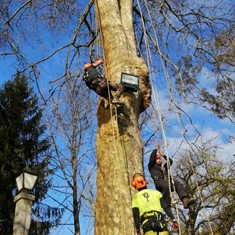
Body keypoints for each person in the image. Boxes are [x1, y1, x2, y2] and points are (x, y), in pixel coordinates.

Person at [148, 144, 196, 216]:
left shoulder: (164, 167)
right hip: (160, 183)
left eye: (159, 159)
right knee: (166, 186)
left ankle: (185, 200)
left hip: (168, 182)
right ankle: (167, 208)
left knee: (178, 184)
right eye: (157, 159)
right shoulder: (152, 166)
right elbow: (151, 158)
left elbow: (170, 161)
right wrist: (156, 150)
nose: (159, 160)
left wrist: (163, 155)